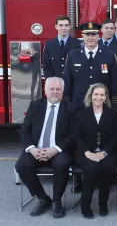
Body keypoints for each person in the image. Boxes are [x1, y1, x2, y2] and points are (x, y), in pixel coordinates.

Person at [15, 77, 79, 218]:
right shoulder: (35, 105)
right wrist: (32, 149)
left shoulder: (72, 108)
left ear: (63, 91)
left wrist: (55, 149)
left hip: (58, 150)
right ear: (45, 90)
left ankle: (57, 201)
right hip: (36, 149)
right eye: (52, 89)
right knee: (21, 165)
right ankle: (43, 198)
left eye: (58, 89)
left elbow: (74, 135)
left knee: (62, 164)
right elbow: (25, 130)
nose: (55, 92)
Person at [72, 83, 117, 218]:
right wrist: (87, 152)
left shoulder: (112, 113)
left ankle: (103, 203)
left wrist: (104, 153)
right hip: (85, 152)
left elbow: (115, 136)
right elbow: (76, 135)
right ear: (90, 96)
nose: (98, 97)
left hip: (107, 152)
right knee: (92, 168)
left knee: (108, 167)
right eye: (96, 94)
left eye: (102, 94)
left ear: (106, 97)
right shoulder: (82, 112)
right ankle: (85, 204)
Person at [62, 22, 117, 111]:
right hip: (78, 105)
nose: (90, 38)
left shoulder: (110, 55)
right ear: (82, 36)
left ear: (98, 36)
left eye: (93, 34)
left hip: (102, 105)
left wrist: (115, 106)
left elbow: (116, 82)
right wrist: (67, 104)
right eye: (87, 34)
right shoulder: (73, 56)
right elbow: (67, 82)